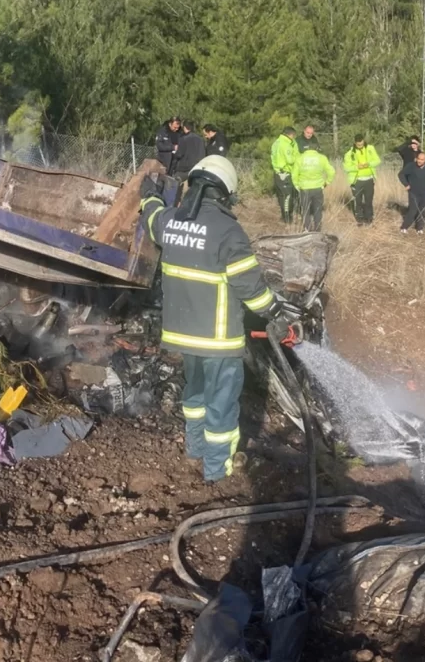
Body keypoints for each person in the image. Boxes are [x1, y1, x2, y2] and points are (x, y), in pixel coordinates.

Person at [140, 156, 297, 482]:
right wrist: (275, 314)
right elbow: (250, 288)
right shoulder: (229, 231)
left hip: (183, 337)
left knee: (194, 396)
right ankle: (217, 473)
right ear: (225, 192)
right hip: (219, 340)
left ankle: (194, 451)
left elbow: (152, 217)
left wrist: (149, 196)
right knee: (221, 407)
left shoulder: (172, 221)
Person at [292, 139, 335, 231]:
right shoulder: (322, 158)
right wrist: (326, 183)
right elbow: (331, 171)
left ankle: (307, 229)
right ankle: (317, 229)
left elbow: (294, 173)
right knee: (318, 210)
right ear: (317, 149)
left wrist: (296, 185)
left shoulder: (300, 158)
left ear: (306, 149)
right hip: (318, 188)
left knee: (305, 211)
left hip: (304, 188)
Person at [343, 134, 381, 226]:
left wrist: (368, 164)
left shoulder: (370, 149)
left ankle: (369, 219)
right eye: (358, 144)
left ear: (363, 141)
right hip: (357, 181)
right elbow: (346, 168)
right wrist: (357, 167)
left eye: (361, 144)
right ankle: (359, 219)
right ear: (355, 143)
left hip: (369, 179)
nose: (360, 146)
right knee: (358, 201)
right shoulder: (349, 154)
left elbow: (378, 161)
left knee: (368, 200)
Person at [398, 151, 425, 234]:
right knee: (413, 210)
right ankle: (404, 227)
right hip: (413, 192)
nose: (419, 161)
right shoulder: (411, 166)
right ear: (416, 159)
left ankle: (419, 228)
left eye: (422, 159)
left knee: (422, 210)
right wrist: (406, 184)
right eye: (418, 159)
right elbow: (401, 174)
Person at [270, 126, 298, 224]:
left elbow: (273, 158)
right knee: (287, 197)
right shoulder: (286, 145)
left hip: (277, 172)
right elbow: (290, 160)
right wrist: (296, 156)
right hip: (285, 173)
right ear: (291, 134)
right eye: (294, 136)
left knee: (281, 196)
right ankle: (287, 218)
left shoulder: (276, 143)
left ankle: (283, 216)